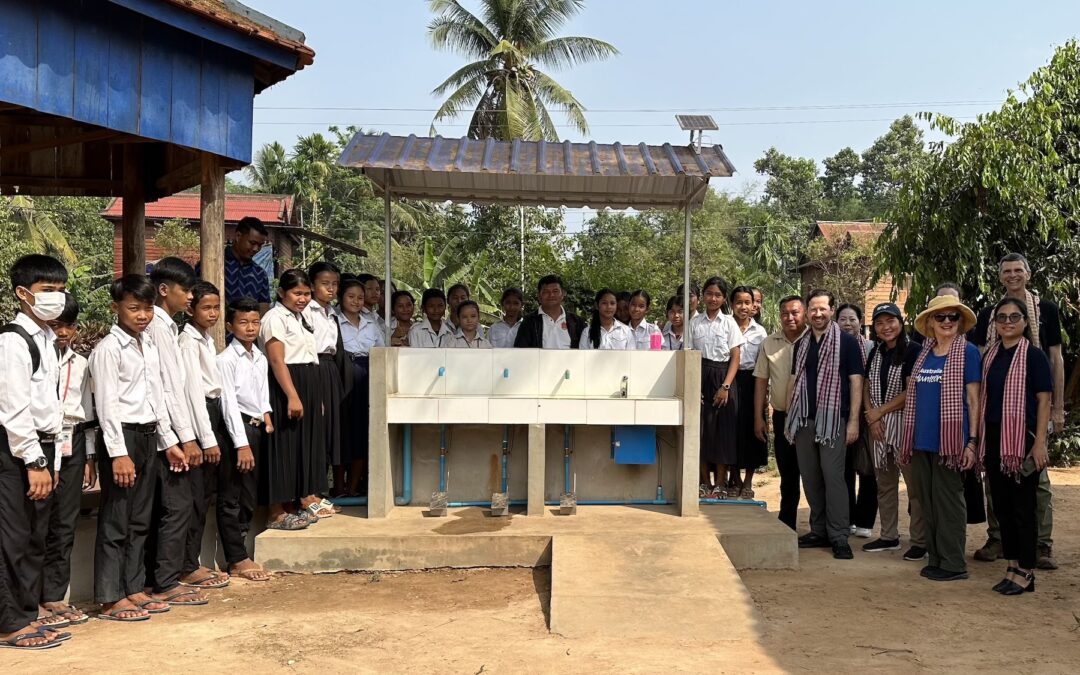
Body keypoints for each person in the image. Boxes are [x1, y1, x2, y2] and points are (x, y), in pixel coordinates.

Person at [90, 274, 185, 622]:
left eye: (147, 308)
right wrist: (118, 453)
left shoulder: (148, 345)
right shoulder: (108, 350)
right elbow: (108, 406)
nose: (142, 315)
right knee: (116, 519)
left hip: (148, 435)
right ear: (116, 308)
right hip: (123, 438)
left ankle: (133, 587)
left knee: (140, 519)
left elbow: (156, 396)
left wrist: (168, 441)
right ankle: (110, 596)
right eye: (134, 308)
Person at [971, 253, 1062, 570]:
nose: (1012, 275)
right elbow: (979, 375)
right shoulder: (988, 322)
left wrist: (1057, 411)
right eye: (1006, 271)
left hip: (1027, 426)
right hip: (994, 428)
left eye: (1018, 270)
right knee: (999, 492)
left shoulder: (1046, 314)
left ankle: (1040, 547)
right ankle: (1000, 541)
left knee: (1034, 487)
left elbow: (1055, 363)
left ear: (1028, 273)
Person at [0, 254, 68, 649]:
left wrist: (53, 458)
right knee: (14, 536)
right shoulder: (13, 339)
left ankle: (27, 613)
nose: (56, 299)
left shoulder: (46, 337)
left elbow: (51, 408)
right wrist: (34, 460)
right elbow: (14, 409)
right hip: (18, 450)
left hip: (43, 447)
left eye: (60, 291)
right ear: (23, 294)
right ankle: (10, 622)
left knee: (34, 536)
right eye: (47, 292)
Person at [900, 295, 982, 581]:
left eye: (953, 317)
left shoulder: (968, 352)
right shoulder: (924, 354)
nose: (947, 322)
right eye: (940, 317)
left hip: (951, 443)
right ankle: (936, 558)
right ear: (930, 323)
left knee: (949, 503)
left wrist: (972, 441)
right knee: (928, 502)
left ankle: (954, 563)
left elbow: (973, 401)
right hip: (921, 440)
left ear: (960, 323)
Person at [146, 258, 213, 604]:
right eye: (185, 290)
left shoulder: (168, 326)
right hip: (168, 432)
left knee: (176, 506)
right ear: (163, 290)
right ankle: (166, 581)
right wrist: (184, 437)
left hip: (173, 428)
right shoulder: (158, 327)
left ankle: (164, 577)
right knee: (176, 506)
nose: (190, 296)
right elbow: (169, 388)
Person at [978, 297, 1052, 595]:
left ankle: (1026, 571)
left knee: (1024, 507)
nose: (1007, 322)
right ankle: (1011, 566)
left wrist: (1040, 444)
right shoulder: (991, 356)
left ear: (1024, 322)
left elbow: (1044, 400)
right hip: (994, 438)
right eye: (1002, 318)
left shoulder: (1034, 356)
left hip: (1023, 440)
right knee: (1003, 506)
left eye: (1014, 317)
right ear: (995, 324)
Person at [785, 289, 864, 560]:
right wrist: (790, 418)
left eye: (823, 309)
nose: (817, 314)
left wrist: (853, 421)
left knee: (834, 478)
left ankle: (839, 536)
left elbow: (856, 382)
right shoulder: (802, 344)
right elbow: (795, 381)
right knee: (810, 478)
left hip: (834, 421)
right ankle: (818, 530)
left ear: (832, 311)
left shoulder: (847, 342)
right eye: (813, 309)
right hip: (804, 419)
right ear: (807, 313)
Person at [40, 294, 97, 626]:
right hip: (42, 441)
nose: (63, 332)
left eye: (69, 326)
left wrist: (89, 454)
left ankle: (53, 596)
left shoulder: (81, 363)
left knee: (64, 521)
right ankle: (30, 599)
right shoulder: (38, 359)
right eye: (57, 325)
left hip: (72, 439)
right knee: (38, 522)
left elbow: (86, 412)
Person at [260, 269, 324, 531]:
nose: (303, 298)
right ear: (281, 292)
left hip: (307, 379)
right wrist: (292, 396)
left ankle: (294, 505)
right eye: (297, 293)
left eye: (307, 293)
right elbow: (277, 360)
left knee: (302, 447)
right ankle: (276, 511)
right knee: (283, 446)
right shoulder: (274, 318)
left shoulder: (303, 316)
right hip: (287, 383)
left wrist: (313, 395)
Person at [860, 302, 925, 559]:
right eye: (880, 323)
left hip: (905, 426)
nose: (886, 327)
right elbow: (866, 386)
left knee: (914, 488)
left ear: (901, 322)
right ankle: (889, 536)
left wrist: (880, 412)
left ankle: (920, 541)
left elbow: (912, 391)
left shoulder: (913, 350)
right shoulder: (875, 353)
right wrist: (872, 418)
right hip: (878, 428)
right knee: (884, 485)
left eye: (891, 321)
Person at [217, 298, 275, 581]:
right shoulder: (226, 360)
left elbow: (261, 393)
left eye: (255, 322)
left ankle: (241, 551)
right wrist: (241, 444)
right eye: (243, 322)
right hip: (237, 431)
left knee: (250, 496)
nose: (250, 328)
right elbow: (228, 403)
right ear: (230, 326)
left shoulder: (260, 357)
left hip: (256, 427)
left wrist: (266, 416)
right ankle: (236, 558)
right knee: (232, 496)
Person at [754, 295, 807, 530]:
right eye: (785, 313)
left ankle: (821, 527)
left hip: (811, 418)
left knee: (815, 474)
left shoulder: (817, 339)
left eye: (795, 312)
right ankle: (787, 524)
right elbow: (761, 382)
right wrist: (759, 417)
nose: (790, 317)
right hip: (782, 416)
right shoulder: (769, 342)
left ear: (804, 313)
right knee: (788, 474)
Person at [693, 277, 744, 498]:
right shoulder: (694, 322)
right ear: (703, 295)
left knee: (723, 432)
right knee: (702, 432)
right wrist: (694, 386)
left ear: (724, 298)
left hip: (723, 376)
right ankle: (705, 482)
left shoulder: (729, 323)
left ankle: (721, 483)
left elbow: (736, 357)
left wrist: (726, 386)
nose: (713, 298)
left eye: (718, 295)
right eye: (709, 293)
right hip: (699, 376)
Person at [305, 262, 346, 519]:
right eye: (325, 284)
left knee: (330, 433)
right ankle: (310, 494)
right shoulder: (307, 312)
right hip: (314, 367)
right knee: (315, 434)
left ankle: (321, 492)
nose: (330, 289)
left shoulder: (331, 313)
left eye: (334, 284)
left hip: (330, 368)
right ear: (312, 285)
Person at [336, 280, 385, 496]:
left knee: (361, 431)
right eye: (351, 296)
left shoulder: (371, 324)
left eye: (360, 297)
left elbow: (381, 350)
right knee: (340, 432)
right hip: (342, 372)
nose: (356, 301)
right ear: (341, 298)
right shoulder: (333, 321)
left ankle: (353, 487)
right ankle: (338, 487)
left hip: (367, 374)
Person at [837, 303, 878, 539]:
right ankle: (848, 518)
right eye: (843, 319)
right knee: (843, 469)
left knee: (868, 468)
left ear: (860, 322)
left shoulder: (872, 348)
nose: (848, 324)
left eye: (852, 319)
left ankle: (865, 521)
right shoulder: (833, 347)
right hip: (842, 415)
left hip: (867, 415)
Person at [731, 286, 768, 498]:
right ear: (732, 304)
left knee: (753, 431)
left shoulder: (760, 331)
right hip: (730, 380)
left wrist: (764, 398)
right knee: (731, 431)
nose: (744, 307)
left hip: (753, 382)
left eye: (748, 302)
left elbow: (763, 365)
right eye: (739, 302)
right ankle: (734, 478)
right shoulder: (727, 325)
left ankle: (748, 481)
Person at [198, 216, 271, 314]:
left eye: (260, 245)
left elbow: (263, 309)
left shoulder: (260, 274)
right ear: (238, 236)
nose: (256, 249)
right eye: (252, 243)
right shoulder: (212, 265)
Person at [514, 275, 586, 349]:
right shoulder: (529, 322)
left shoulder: (577, 322)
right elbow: (520, 353)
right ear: (539, 296)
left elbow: (586, 353)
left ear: (563, 294)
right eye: (546, 292)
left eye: (555, 291)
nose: (551, 295)